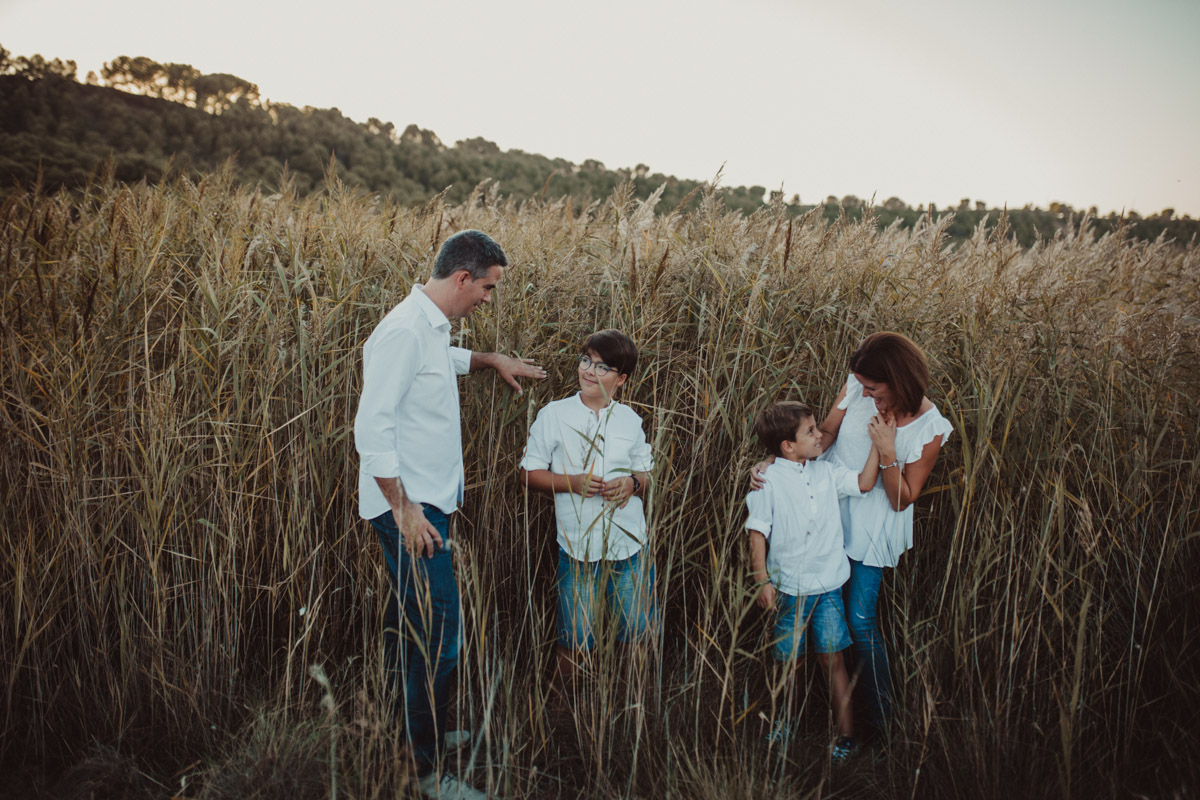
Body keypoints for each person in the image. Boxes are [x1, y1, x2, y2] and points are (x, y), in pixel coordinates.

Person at [354, 229, 546, 800]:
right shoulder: (403, 331)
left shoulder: (431, 329)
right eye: (488, 288)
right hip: (411, 512)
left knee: (408, 625)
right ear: (463, 278)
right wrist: (405, 508)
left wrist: (488, 360)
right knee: (440, 632)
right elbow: (372, 428)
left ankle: (409, 732)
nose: (489, 298)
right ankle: (423, 772)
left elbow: (441, 361)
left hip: (425, 504)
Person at [751, 332, 952, 738]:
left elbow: (902, 500)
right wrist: (774, 464)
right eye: (863, 387)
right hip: (825, 513)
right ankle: (804, 714)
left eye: (875, 391)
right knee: (825, 622)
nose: (867, 396)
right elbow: (821, 436)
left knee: (859, 623)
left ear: (900, 381)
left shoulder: (932, 427)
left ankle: (879, 724)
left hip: (871, 530)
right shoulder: (859, 386)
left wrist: (887, 450)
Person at [745, 400, 885, 761]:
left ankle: (846, 736)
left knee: (832, 659)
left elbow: (866, 483)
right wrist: (762, 580)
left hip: (828, 587)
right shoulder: (768, 480)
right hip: (789, 588)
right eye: (810, 432)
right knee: (790, 661)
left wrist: (879, 447)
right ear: (787, 447)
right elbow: (758, 531)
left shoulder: (826, 472)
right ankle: (784, 724)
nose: (819, 434)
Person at [518, 329, 655, 695]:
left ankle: (634, 708)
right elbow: (529, 474)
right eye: (585, 361)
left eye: (603, 367)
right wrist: (571, 482)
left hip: (629, 548)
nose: (589, 371)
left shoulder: (629, 420)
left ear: (621, 379)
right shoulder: (555, 414)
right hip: (578, 548)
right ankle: (564, 713)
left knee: (635, 632)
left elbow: (647, 475)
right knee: (575, 638)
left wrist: (633, 484)